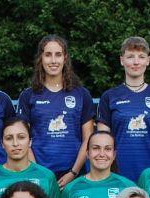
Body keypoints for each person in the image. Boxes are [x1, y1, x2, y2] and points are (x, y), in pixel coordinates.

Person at [17, 34, 93, 187]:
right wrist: (39, 174)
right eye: (48, 55)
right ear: (41, 58)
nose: (53, 60)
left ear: (65, 58)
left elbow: (88, 139)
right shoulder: (28, 96)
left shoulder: (81, 94)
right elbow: (23, 139)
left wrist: (73, 172)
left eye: (58, 54)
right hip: (39, 175)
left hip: (75, 175)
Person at [97, 37, 150, 182]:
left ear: (148, 60)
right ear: (122, 60)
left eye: (141, 57)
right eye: (130, 56)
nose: (136, 62)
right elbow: (102, 140)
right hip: (117, 176)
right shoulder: (109, 97)